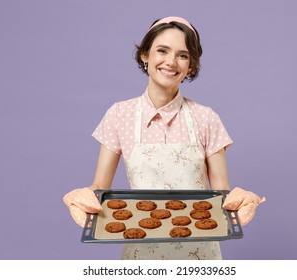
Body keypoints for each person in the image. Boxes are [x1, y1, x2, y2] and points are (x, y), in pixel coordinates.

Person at [63, 16, 265, 260]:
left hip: (200, 254)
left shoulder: (206, 118)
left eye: (182, 55)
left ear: (190, 66)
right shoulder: (119, 115)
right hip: (140, 250)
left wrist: (242, 201)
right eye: (162, 51)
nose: (171, 62)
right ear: (145, 55)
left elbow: (221, 195)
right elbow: (99, 189)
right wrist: (78, 199)